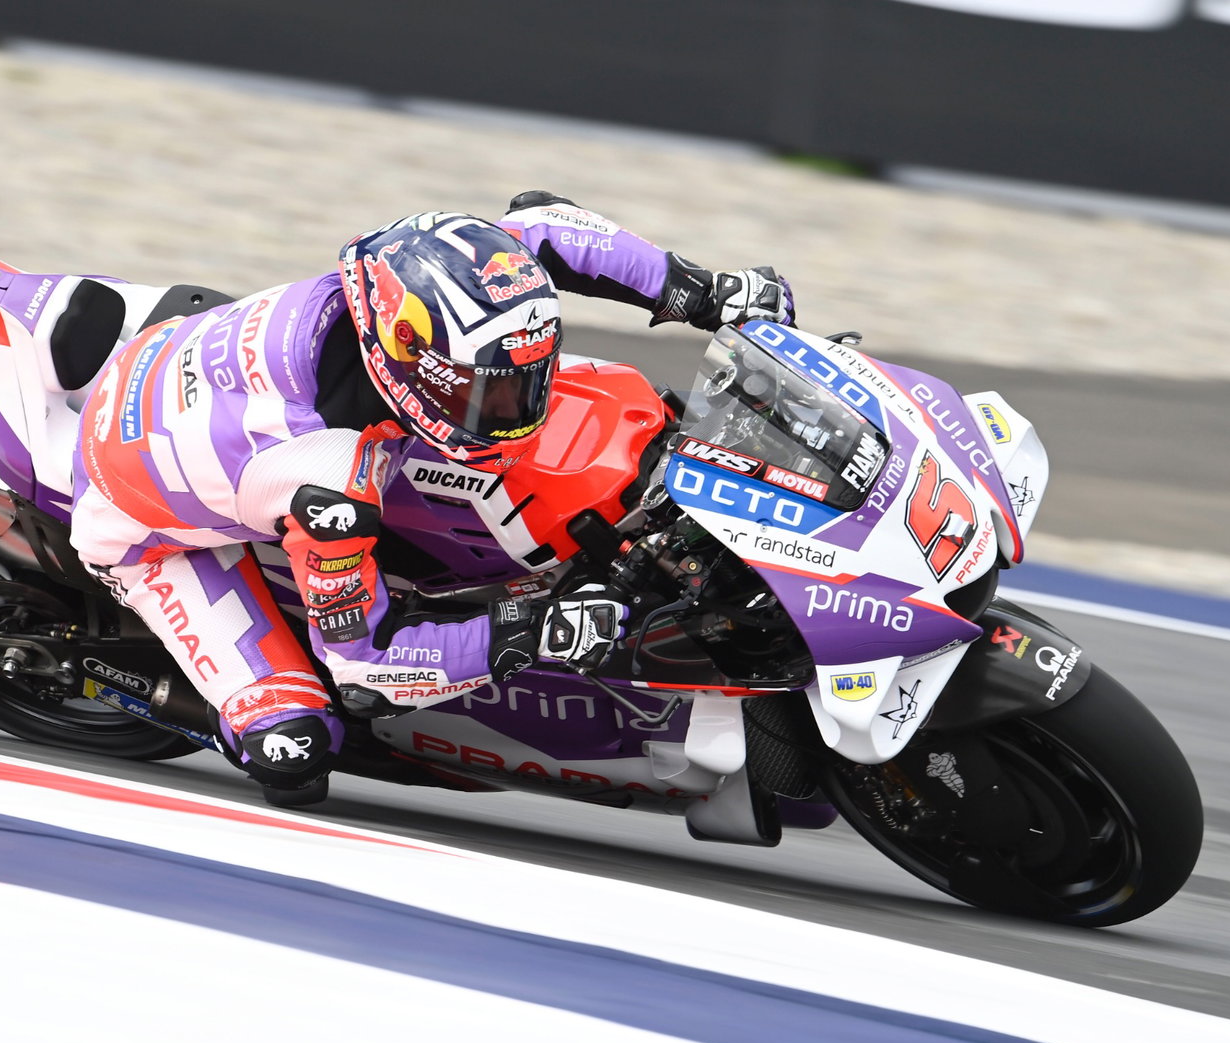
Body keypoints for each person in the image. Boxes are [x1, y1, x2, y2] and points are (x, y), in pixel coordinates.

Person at [70, 191, 794, 804]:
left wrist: (702, 290)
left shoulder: (428, 274)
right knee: (297, 747)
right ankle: (244, 705)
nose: (517, 403)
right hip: (142, 522)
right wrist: (532, 630)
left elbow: (548, 224)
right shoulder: (330, 484)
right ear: (408, 358)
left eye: (523, 378)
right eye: (492, 390)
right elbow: (367, 661)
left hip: (183, 373)